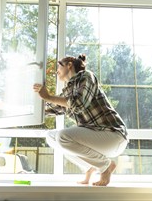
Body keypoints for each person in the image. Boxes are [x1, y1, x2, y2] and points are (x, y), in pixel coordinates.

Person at [33, 54, 128, 186]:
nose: (56, 71)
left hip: (113, 136)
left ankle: (106, 166)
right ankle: (90, 167)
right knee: (51, 136)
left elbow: (78, 104)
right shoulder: (67, 92)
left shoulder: (86, 76)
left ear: (69, 65)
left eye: (59, 66)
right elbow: (48, 110)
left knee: (62, 137)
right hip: (97, 139)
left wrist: (48, 97)